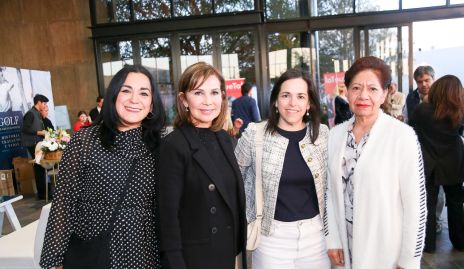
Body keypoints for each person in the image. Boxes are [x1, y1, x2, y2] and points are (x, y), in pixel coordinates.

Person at [40, 64, 166, 269]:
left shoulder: (161, 144)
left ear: (151, 105)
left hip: (144, 251)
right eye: (126, 90)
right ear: (113, 96)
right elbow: (64, 201)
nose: (134, 99)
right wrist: (54, 259)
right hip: (93, 247)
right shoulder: (85, 140)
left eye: (144, 93)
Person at [324, 56, 426, 269]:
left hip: (386, 251)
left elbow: (416, 205)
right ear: (347, 91)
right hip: (345, 247)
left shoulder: (402, 136)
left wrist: (409, 259)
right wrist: (332, 238)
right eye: (356, 88)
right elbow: (329, 193)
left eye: (372, 89)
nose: (363, 96)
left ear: (385, 93)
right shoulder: (335, 135)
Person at [235, 68, 330, 269]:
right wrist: (247, 217)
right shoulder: (255, 135)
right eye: (286, 95)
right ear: (276, 101)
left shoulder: (322, 135)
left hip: (317, 238)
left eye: (300, 96)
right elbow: (235, 180)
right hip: (271, 239)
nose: (292, 103)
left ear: (309, 103)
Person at [158, 62, 247, 269]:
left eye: (214, 92)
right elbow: (168, 215)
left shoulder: (224, 138)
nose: (208, 101)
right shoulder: (174, 145)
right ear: (184, 100)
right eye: (198, 93)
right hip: (195, 257)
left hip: (224, 251)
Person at [409, 75, 464, 253]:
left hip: (428, 163)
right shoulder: (459, 110)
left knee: (428, 206)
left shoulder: (421, 110)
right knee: (456, 203)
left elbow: (412, 133)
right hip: (454, 163)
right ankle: (460, 241)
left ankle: (428, 244)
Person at [21, 94, 49, 200]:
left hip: (37, 143)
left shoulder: (37, 113)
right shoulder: (30, 114)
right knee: (38, 168)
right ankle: (41, 194)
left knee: (40, 168)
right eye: (44, 103)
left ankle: (44, 192)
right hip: (32, 144)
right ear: (39, 102)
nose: (45, 105)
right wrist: (39, 132)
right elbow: (25, 129)